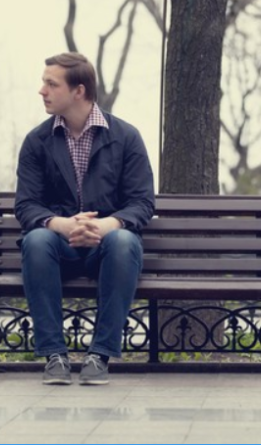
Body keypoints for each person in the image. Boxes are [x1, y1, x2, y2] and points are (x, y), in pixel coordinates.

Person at [15, 52, 155, 386]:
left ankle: (100, 355)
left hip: (105, 248)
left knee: (123, 241)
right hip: (56, 249)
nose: (42, 90)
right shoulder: (38, 141)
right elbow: (27, 205)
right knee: (36, 239)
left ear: (78, 91)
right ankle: (54, 355)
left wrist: (106, 225)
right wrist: (61, 225)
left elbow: (142, 202)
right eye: (43, 82)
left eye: (51, 84)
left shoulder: (125, 137)